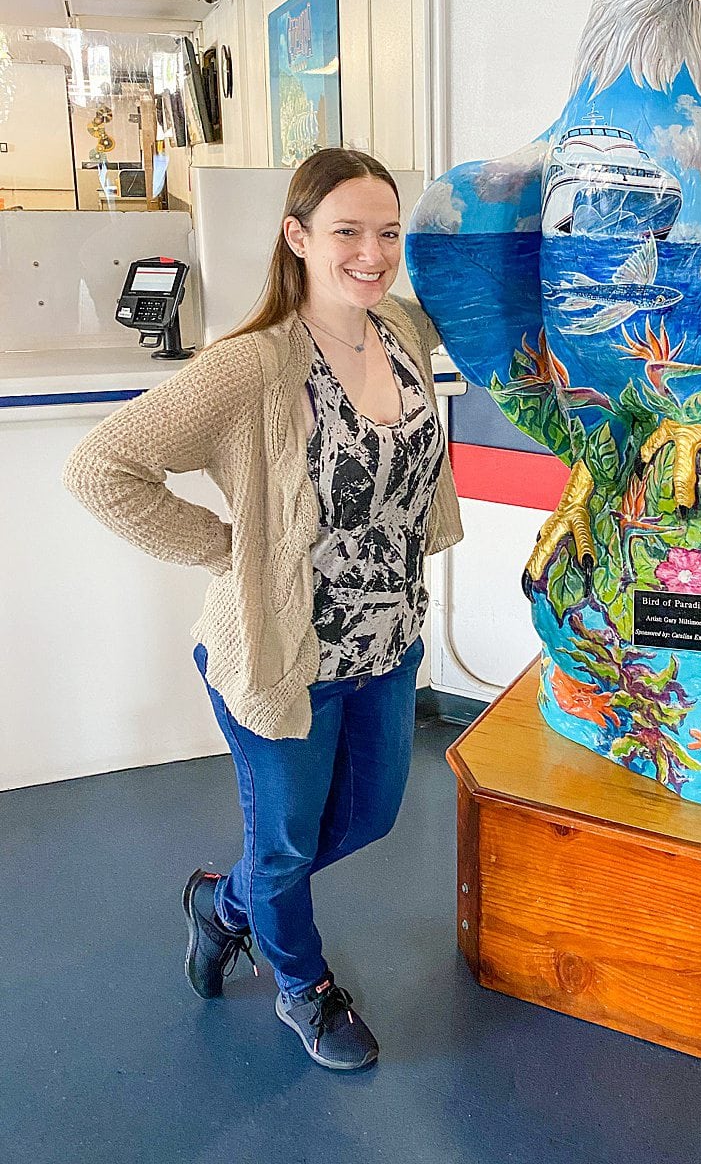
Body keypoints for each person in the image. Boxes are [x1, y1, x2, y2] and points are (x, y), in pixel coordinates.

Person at [63, 148, 463, 1071]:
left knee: (370, 817)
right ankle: (303, 986)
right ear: (297, 237)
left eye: (388, 233)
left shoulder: (399, 326)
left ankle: (221, 903)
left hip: (388, 642)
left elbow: (490, 306)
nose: (374, 252)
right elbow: (100, 468)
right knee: (283, 845)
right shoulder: (251, 365)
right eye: (348, 232)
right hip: (285, 653)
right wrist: (230, 551)